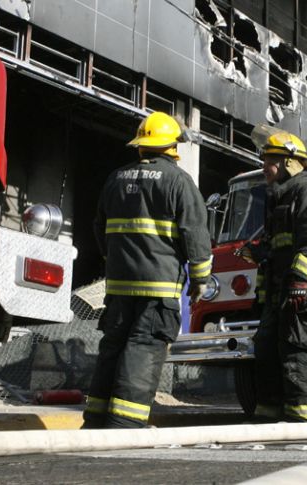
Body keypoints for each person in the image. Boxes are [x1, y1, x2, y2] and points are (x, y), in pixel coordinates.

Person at [82, 112, 212, 429]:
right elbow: (195, 236)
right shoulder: (179, 182)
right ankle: (126, 422)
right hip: (159, 288)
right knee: (143, 347)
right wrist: (199, 281)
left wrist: (114, 260)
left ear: (141, 145)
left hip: (118, 286)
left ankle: (96, 418)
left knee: (113, 347)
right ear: (172, 146)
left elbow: (100, 229)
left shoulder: (116, 178)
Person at [248, 125, 307, 423]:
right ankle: (268, 421)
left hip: (306, 295)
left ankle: (302, 425)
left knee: (298, 355)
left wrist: (300, 280)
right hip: (281, 295)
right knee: (267, 353)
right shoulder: (277, 198)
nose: (264, 168)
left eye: (269, 161)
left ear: (288, 162)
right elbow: (277, 249)